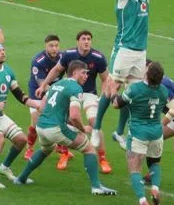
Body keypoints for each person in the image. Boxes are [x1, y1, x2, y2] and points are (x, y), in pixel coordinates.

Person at [91, 0, 172, 150]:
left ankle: (119, 132)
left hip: (140, 52)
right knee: (111, 88)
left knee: (132, 94)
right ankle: (95, 128)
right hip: (124, 49)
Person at [15, 60, 117, 195]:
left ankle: (21, 178)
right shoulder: (76, 88)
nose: (87, 76)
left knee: (46, 149)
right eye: (84, 72)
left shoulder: (56, 84)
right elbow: (75, 116)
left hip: (41, 126)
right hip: (55, 128)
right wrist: (83, 129)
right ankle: (96, 187)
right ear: (74, 73)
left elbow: (43, 107)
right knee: (89, 148)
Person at [36, 29, 112, 173]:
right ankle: (64, 154)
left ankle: (102, 158)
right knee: (62, 120)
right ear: (78, 41)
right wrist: (44, 85)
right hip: (69, 91)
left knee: (94, 122)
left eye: (89, 39)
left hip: (88, 94)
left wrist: (102, 98)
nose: (86, 42)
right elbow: (56, 70)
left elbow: (105, 79)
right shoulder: (68, 54)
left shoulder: (98, 57)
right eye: (83, 39)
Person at [0, 43, 41, 188]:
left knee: (22, 139)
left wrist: (37, 105)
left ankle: (4, 167)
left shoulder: (8, 71)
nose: (3, 53)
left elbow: (19, 94)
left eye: (3, 50)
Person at [113, 61, 174, 205]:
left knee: (135, 168)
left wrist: (113, 93)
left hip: (138, 133)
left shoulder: (135, 89)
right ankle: (155, 188)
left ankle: (142, 201)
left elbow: (116, 104)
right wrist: (163, 122)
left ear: (147, 74)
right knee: (154, 163)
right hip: (156, 133)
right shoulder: (163, 90)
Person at [24, 34, 68, 166]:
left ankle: (61, 147)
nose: (54, 48)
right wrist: (59, 91)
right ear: (46, 46)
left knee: (62, 119)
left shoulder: (63, 57)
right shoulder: (38, 61)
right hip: (38, 93)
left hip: (56, 91)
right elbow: (42, 84)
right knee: (37, 124)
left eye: (56, 45)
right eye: (51, 46)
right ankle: (29, 148)